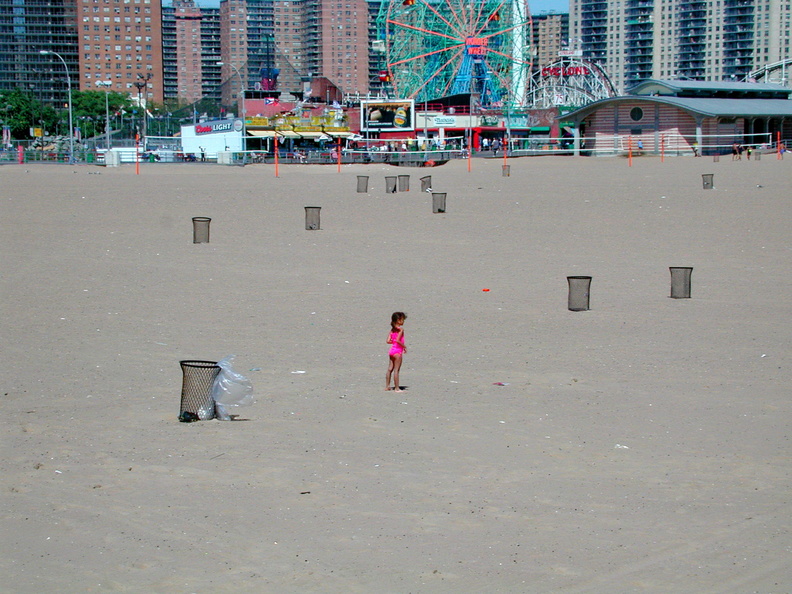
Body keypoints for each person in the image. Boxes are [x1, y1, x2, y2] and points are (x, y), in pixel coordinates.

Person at [386, 312, 407, 392]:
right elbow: (398, 340)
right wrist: (404, 346)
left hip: (391, 351)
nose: (403, 321)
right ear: (398, 320)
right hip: (397, 351)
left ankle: (387, 386)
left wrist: (393, 341)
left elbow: (388, 341)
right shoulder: (401, 329)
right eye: (402, 320)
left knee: (390, 369)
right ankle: (397, 388)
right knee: (396, 370)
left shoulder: (392, 329)